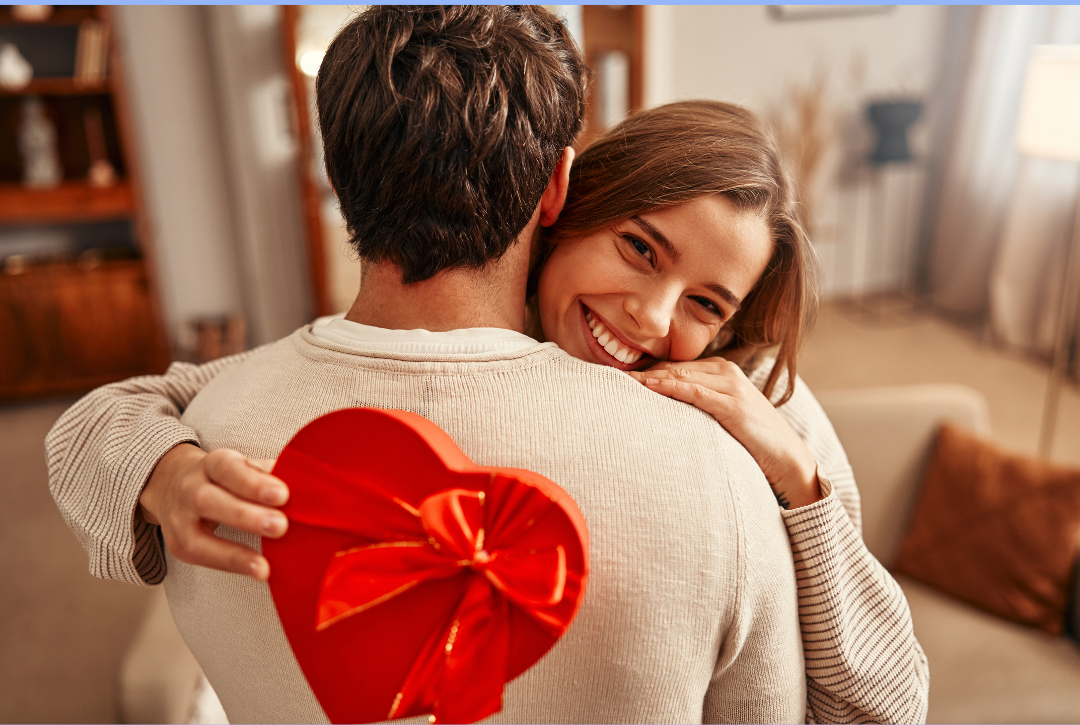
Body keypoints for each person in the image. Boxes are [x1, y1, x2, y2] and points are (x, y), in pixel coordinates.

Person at [46, 6, 926, 723]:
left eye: (708, 304)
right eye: (639, 249)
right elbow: (111, 412)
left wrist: (806, 489)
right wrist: (159, 469)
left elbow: (886, 701)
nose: (653, 318)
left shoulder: (762, 416)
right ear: (561, 198)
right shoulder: (242, 396)